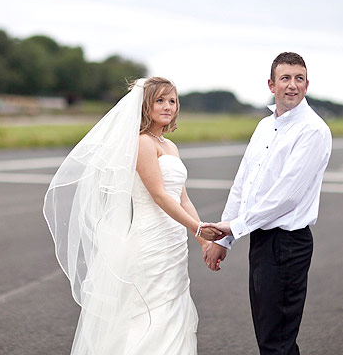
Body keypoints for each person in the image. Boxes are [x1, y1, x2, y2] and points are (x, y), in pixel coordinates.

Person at [44, 77, 221, 355]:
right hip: (150, 241)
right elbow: (159, 196)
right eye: (160, 100)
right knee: (148, 311)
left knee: (173, 308)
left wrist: (202, 242)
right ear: (144, 105)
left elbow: (182, 198)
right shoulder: (142, 143)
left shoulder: (170, 146)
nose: (167, 106)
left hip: (173, 244)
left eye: (172, 101)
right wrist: (198, 228)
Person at [202, 52, 332, 354]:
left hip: (288, 243)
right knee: (269, 336)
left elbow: (286, 196)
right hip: (262, 240)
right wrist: (226, 238)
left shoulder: (313, 131)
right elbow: (243, 184)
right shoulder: (264, 127)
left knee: (278, 340)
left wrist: (233, 226)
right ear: (271, 84)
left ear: (307, 84)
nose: (292, 85)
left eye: (299, 78)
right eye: (285, 78)